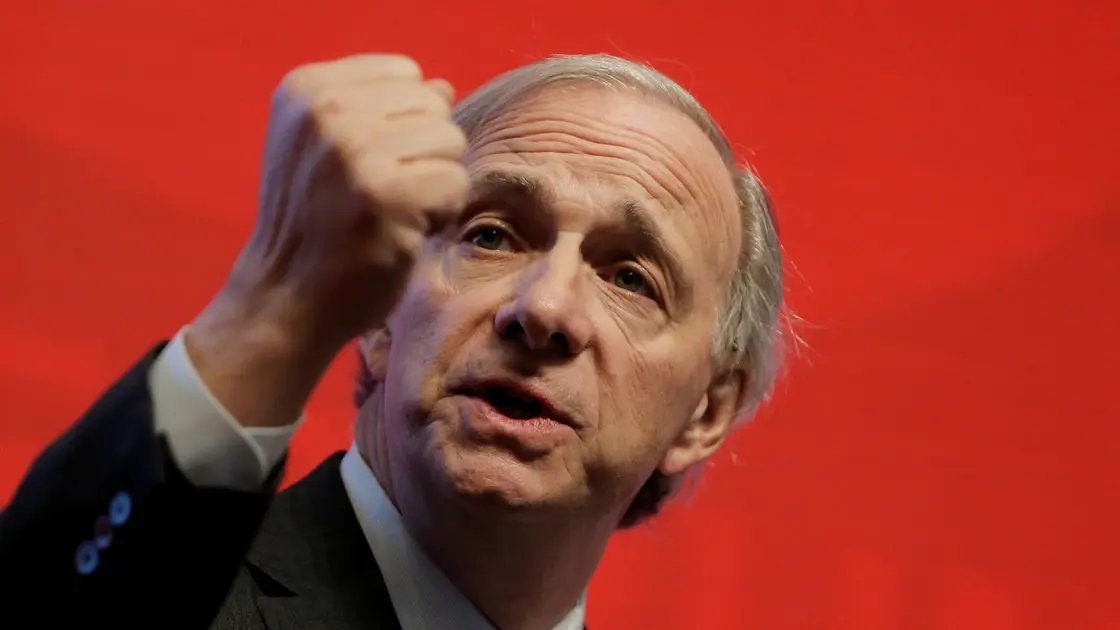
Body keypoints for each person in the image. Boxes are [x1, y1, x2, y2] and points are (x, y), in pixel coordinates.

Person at [0, 52, 784, 629]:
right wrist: (267, 308)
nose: (544, 306)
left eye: (631, 279)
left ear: (707, 412)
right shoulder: (176, 602)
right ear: (379, 315)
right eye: (490, 235)